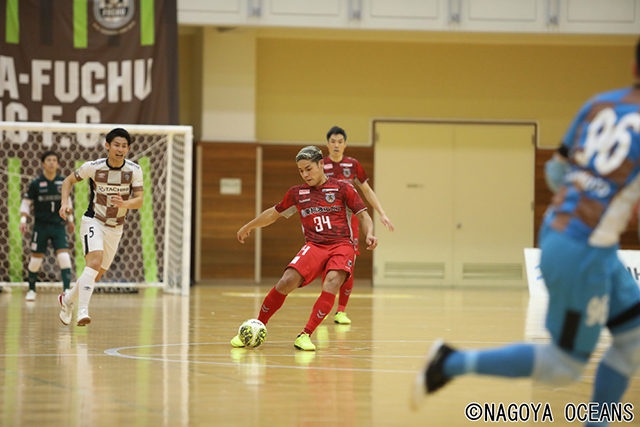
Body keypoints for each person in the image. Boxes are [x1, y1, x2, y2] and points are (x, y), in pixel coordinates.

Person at [412, 37, 640, 425]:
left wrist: (593, 196)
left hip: (563, 232)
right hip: (584, 252)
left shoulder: (598, 104)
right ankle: (449, 363)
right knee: (564, 367)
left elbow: (555, 172)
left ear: (633, 67)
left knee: (633, 339)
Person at [231, 146, 378, 351]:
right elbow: (273, 214)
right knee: (286, 281)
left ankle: (305, 335)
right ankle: (256, 326)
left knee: (332, 282)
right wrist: (248, 226)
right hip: (314, 245)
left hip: (342, 245)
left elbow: (363, 215)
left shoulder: (343, 188)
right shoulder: (297, 193)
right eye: (301, 171)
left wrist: (369, 233)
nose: (305, 174)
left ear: (321, 164)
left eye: (309, 169)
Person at [57, 128, 144, 327]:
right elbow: (68, 181)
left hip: (116, 227)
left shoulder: (134, 170)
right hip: (94, 220)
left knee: (96, 275)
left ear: (128, 149)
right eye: (116, 145)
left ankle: (67, 299)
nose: (120, 149)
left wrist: (124, 203)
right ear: (107, 146)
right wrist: (64, 202)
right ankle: (82, 311)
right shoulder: (93, 167)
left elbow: (139, 200)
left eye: (124, 146)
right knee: (94, 262)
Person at [323, 126, 395, 325]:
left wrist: (382, 213)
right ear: (327, 144)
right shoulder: (321, 165)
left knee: (349, 265)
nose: (336, 145)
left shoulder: (353, 165)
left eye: (340, 142)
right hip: (327, 220)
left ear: (345, 144)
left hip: (349, 220)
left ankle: (341, 311)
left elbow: (367, 190)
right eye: (333, 141)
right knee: (327, 263)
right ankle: (325, 307)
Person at [19, 151, 75, 301]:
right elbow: (26, 203)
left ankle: (66, 291)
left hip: (58, 225)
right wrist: (23, 220)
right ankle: (31, 290)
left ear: (58, 164)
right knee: (36, 260)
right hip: (41, 227)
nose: (51, 162)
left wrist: (71, 220)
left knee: (64, 257)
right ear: (43, 163)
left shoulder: (63, 182)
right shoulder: (36, 183)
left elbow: (67, 202)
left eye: (54, 160)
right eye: (48, 160)